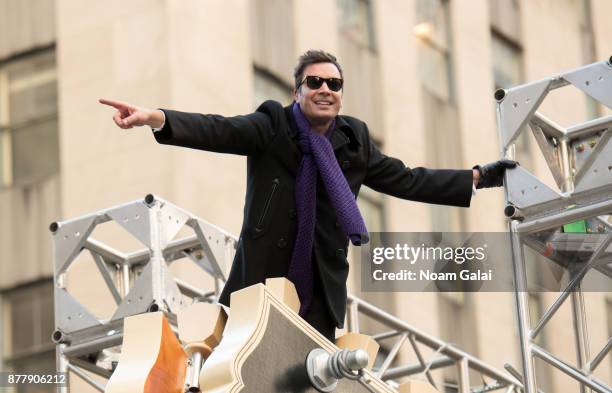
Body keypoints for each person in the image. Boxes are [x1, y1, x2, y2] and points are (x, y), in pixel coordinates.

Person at [100, 50, 516, 341]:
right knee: (245, 370)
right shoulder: (272, 125)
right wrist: (155, 118)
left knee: (305, 376)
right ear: (298, 91)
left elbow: (406, 179)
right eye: (314, 81)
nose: (325, 89)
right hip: (261, 278)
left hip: (318, 287)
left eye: (334, 83)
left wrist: (476, 177)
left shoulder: (355, 142)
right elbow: (220, 129)